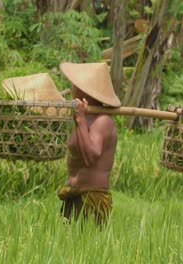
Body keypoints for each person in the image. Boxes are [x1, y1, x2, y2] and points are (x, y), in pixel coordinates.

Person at [57, 62, 121, 227]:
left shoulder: (103, 121)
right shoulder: (85, 119)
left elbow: (90, 157)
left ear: (86, 92)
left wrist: (80, 119)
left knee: (86, 249)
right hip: (74, 195)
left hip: (92, 198)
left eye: (76, 86)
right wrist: (80, 120)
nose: (72, 89)